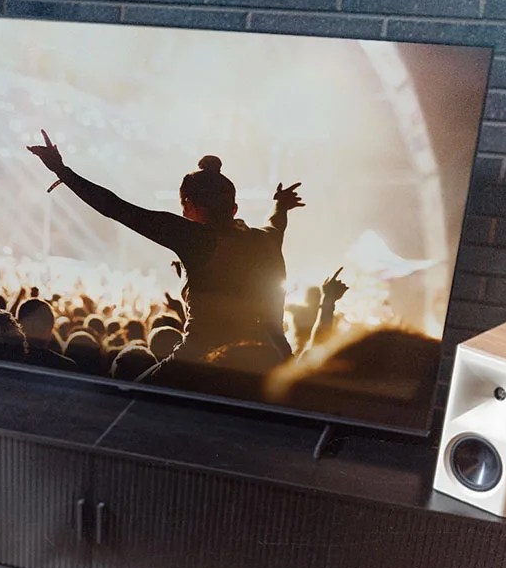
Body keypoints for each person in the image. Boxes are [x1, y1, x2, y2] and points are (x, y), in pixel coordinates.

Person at [26, 131, 303, 381]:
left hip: (200, 363)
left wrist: (63, 170)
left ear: (189, 205)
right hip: (273, 362)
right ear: (234, 209)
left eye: (184, 207)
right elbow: (277, 222)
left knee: (131, 400)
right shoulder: (266, 239)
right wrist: (281, 205)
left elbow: (115, 207)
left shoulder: (194, 237)